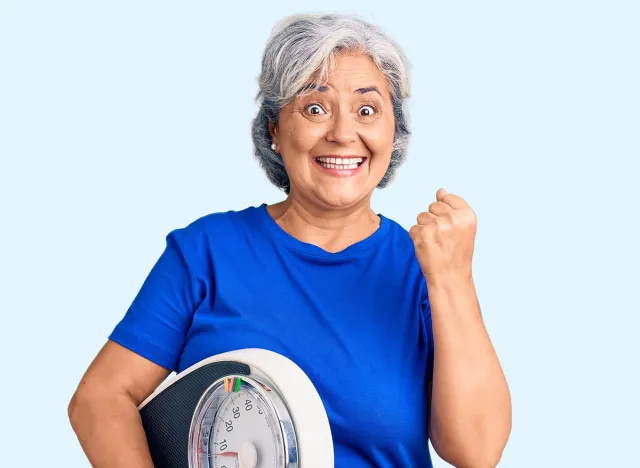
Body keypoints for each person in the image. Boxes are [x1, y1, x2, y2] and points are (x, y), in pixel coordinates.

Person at [68, 12, 511, 468]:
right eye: (315, 108)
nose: (342, 134)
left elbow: (476, 451)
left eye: (367, 110)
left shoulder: (424, 267)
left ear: (392, 133)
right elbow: (100, 398)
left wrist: (453, 279)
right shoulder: (205, 253)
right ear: (274, 131)